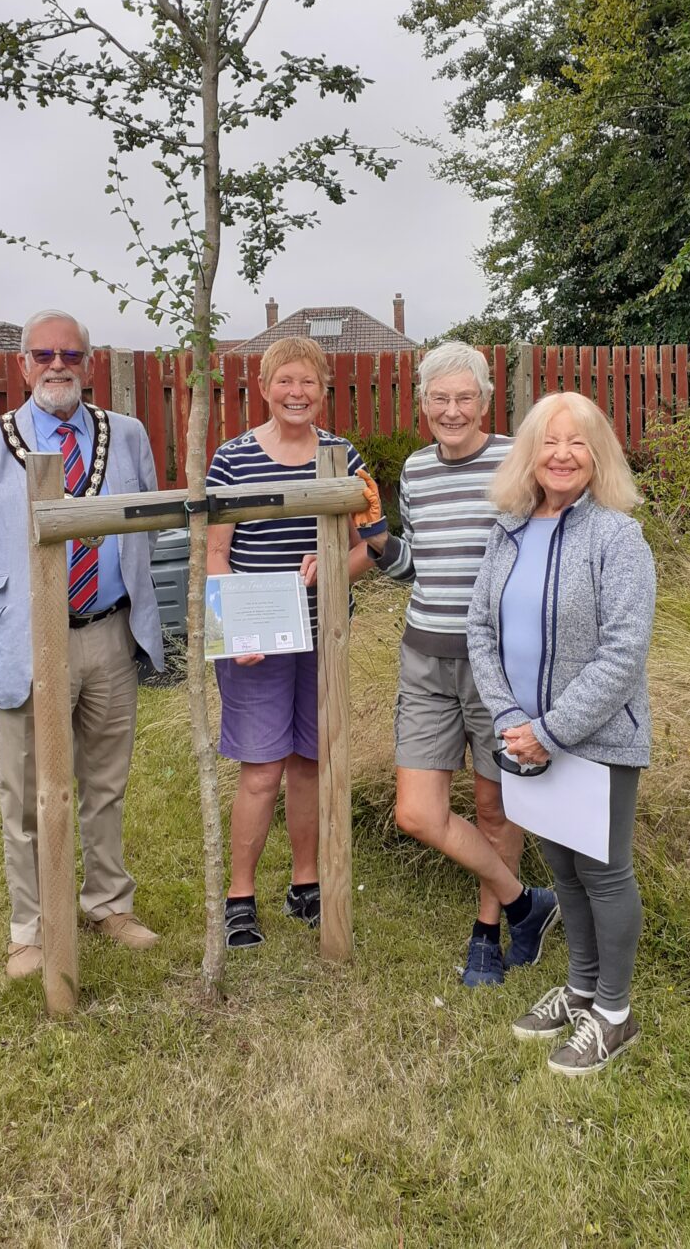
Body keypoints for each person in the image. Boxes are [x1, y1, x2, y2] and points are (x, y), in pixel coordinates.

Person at [0, 308, 165, 980]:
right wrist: (16, 613)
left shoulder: (125, 437)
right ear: (22, 365)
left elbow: (149, 522)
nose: (57, 365)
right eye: (43, 354)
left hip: (107, 634)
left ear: (90, 364)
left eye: (70, 353)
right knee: (27, 791)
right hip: (30, 642)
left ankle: (107, 902)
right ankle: (30, 928)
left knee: (104, 779)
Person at [467, 390, 656, 1075]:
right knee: (565, 874)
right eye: (549, 441)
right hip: (524, 739)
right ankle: (579, 988)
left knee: (604, 873)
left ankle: (613, 1012)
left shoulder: (617, 537)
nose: (562, 454)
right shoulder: (508, 528)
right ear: (530, 453)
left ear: (597, 452)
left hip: (596, 739)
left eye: (578, 441)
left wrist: (552, 728)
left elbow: (623, 652)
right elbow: (481, 631)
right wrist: (512, 720)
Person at [362, 342, 559, 987]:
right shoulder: (416, 470)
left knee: (495, 810)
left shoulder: (517, 462)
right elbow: (413, 566)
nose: (451, 411)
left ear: (485, 401)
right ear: (422, 404)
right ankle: (526, 902)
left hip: (498, 665)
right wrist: (378, 538)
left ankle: (488, 932)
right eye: (439, 399)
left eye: (463, 398)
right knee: (417, 813)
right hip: (425, 657)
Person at [206, 337, 377, 949]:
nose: (297, 393)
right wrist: (232, 631)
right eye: (286, 382)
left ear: (324, 390)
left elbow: (366, 549)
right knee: (261, 770)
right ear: (264, 387)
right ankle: (240, 897)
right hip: (258, 638)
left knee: (309, 762)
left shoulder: (343, 457)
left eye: (308, 383)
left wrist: (332, 566)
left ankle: (306, 882)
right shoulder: (231, 459)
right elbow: (217, 554)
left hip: (323, 634)